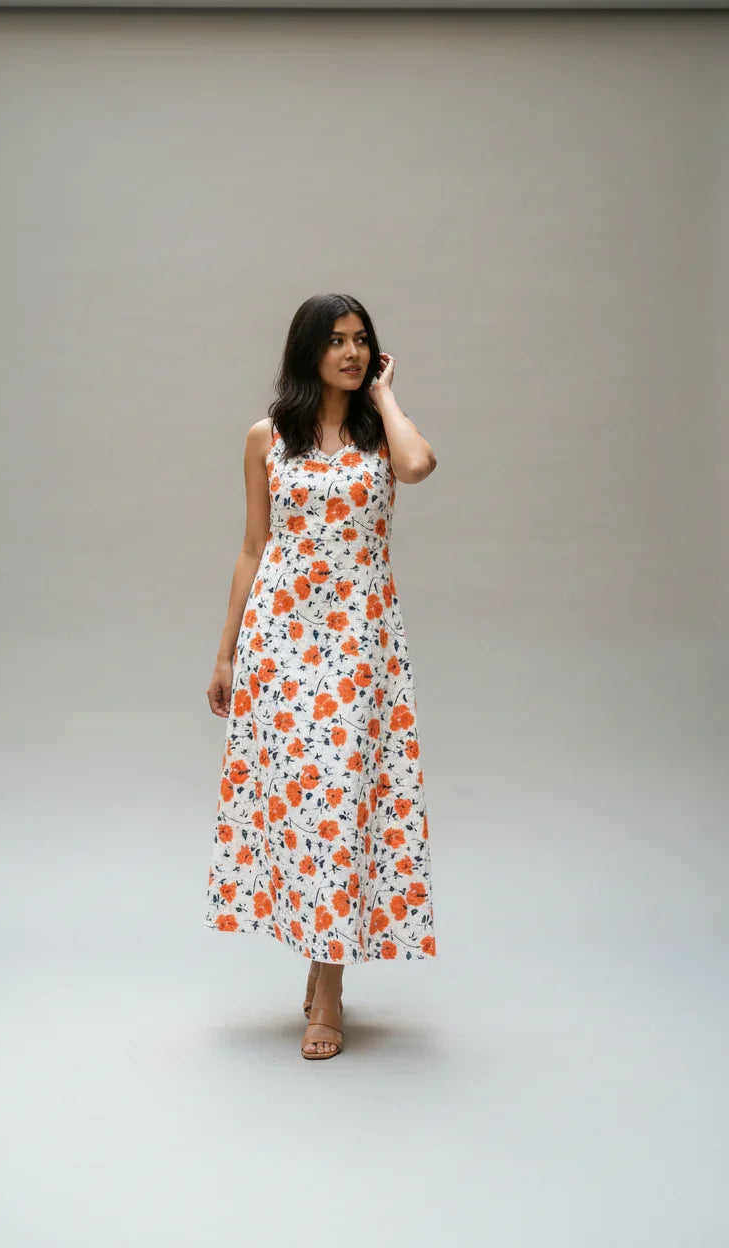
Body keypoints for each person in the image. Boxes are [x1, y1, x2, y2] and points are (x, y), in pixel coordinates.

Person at [204, 292, 438, 1060]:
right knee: (305, 808)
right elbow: (251, 545)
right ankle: (319, 959)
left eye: (362, 340)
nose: (351, 352)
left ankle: (328, 989)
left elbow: (419, 465)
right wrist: (227, 650)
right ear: (308, 350)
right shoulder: (266, 437)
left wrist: (387, 396)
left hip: (358, 643)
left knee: (344, 798)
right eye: (336, 341)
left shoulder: (381, 438)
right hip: (282, 642)